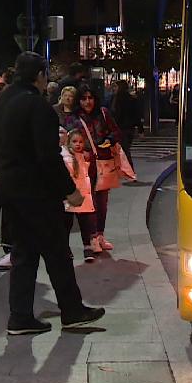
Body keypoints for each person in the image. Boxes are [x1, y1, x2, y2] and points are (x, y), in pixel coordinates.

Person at [0, 52, 105, 334]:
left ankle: (21, 317)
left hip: (9, 190)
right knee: (57, 252)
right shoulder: (38, 107)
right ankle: (72, 311)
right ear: (39, 76)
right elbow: (48, 157)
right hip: (37, 194)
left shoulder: (0, 101)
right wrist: (70, 190)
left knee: (24, 253)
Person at [73, 84, 121, 253]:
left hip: (103, 163)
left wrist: (108, 140)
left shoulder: (103, 113)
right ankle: (92, 237)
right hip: (84, 165)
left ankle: (99, 235)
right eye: (84, 98)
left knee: (102, 202)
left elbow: (116, 132)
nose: (87, 102)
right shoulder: (75, 117)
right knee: (89, 202)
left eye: (90, 98)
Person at [63, 128, 98, 263]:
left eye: (81, 142)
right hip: (71, 195)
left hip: (82, 195)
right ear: (69, 142)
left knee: (85, 223)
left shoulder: (84, 156)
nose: (78, 144)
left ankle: (87, 246)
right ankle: (65, 248)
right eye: (75, 141)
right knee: (67, 224)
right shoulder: (65, 157)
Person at [109, 80, 141, 161]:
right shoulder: (131, 99)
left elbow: (116, 114)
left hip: (121, 128)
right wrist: (140, 128)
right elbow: (137, 115)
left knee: (124, 150)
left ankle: (128, 169)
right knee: (124, 149)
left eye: (116, 87)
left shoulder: (117, 100)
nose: (114, 89)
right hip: (129, 128)